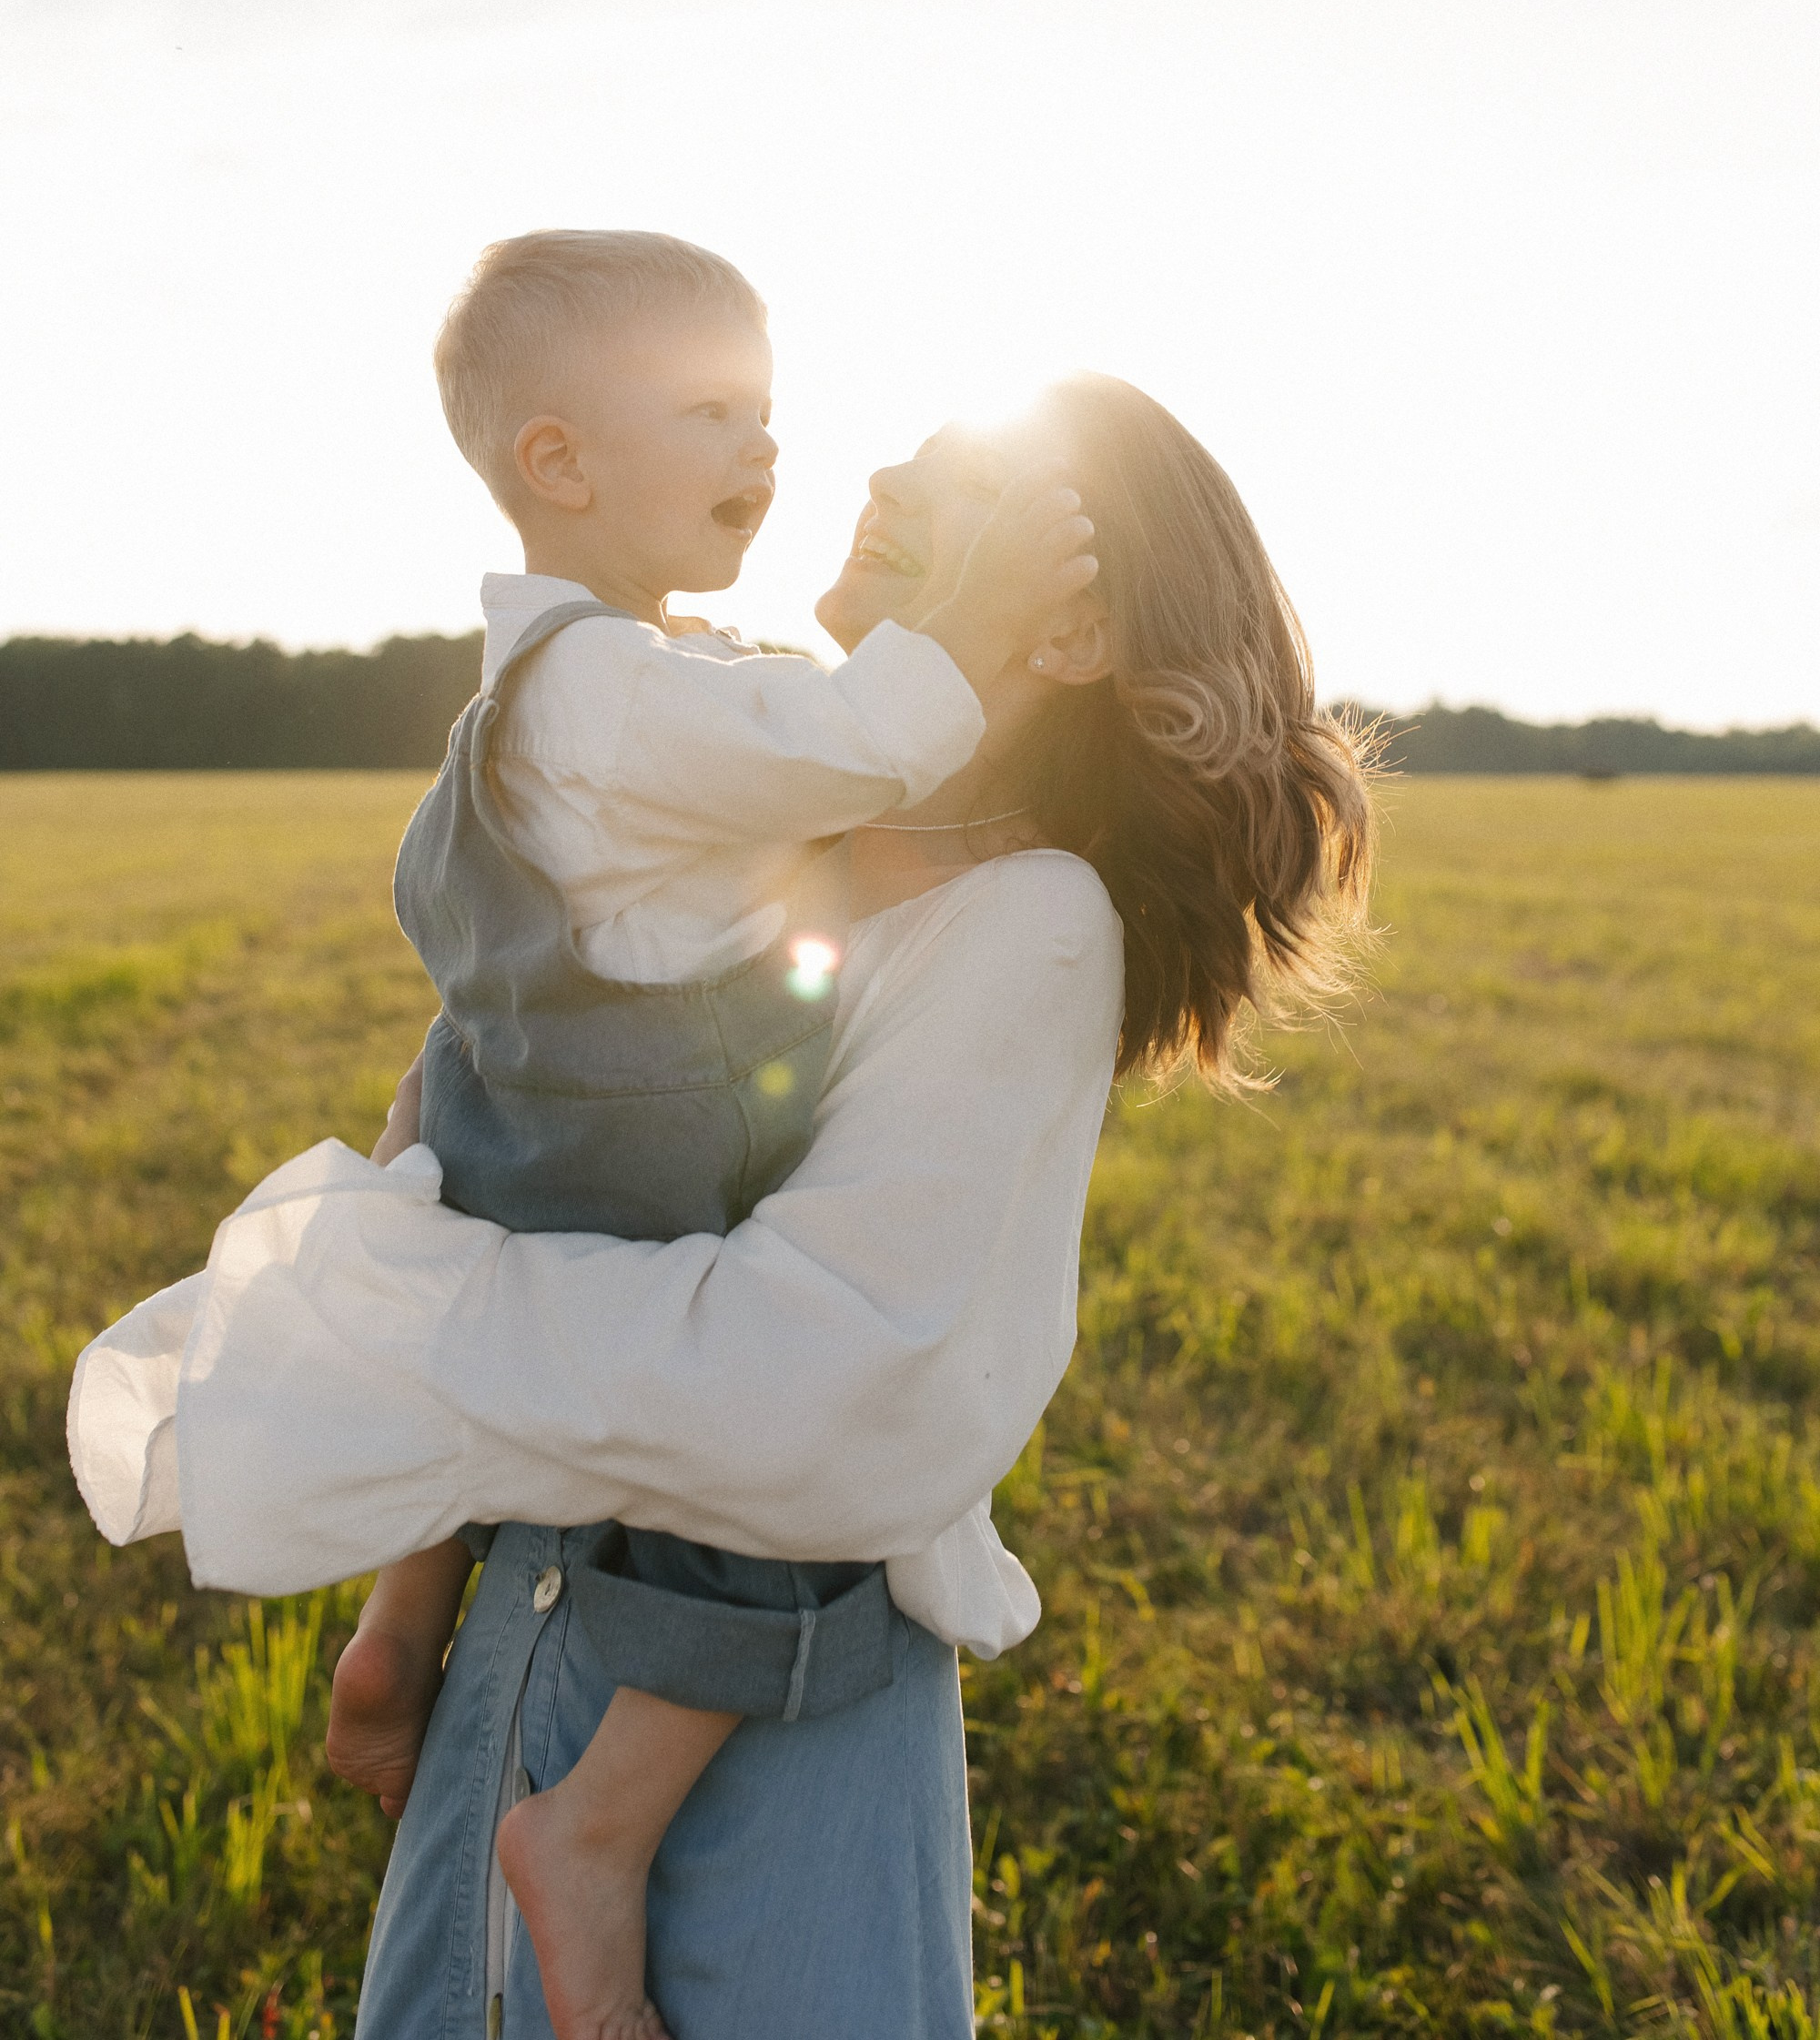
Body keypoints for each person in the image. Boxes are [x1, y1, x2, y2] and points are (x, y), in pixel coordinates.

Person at [70, 370, 1374, 2039]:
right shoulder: (744, 815)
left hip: (768, 1753)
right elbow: (481, 1106)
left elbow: (819, 1389)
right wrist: (418, 1580)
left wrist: (395, 1325)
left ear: (1065, 636)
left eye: (969, 482)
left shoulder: (1027, 918)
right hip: (515, 1650)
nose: (891, 467)